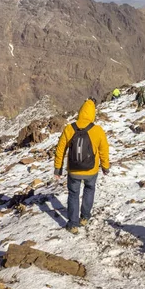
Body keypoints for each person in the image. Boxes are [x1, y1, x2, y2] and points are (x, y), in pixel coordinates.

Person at [54, 98, 110, 234]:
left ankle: (73, 225)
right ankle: (84, 217)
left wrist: (58, 168)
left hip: (73, 170)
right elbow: (104, 150)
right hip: (91, 170)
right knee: (89, 190)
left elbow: (60, 149)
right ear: (92, 114)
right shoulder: (97, 130)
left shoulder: (69, 128)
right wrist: (105, 166)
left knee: (73, 194)